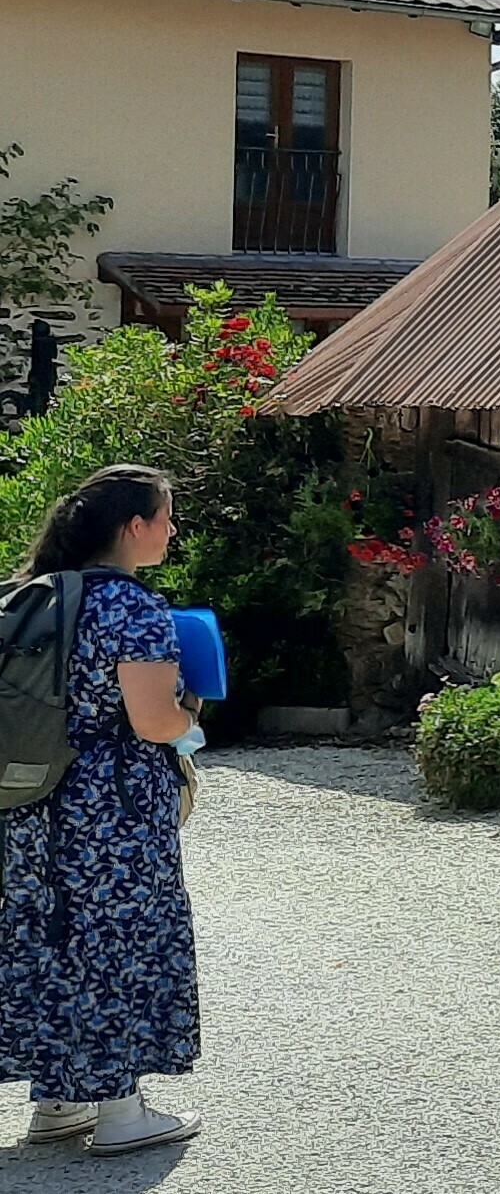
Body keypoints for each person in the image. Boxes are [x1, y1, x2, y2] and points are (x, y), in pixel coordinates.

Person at [0, 464, 203, 1154]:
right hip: (109, 810)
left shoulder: (30, 594)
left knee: (53, 935)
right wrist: (191, 711)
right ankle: (119, 1107)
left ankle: (57, 1100)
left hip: (31, 802)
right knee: (119, 939)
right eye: (166, 515)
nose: (172, 529)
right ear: (132, 526)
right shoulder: (133, 609)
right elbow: (152, 722)